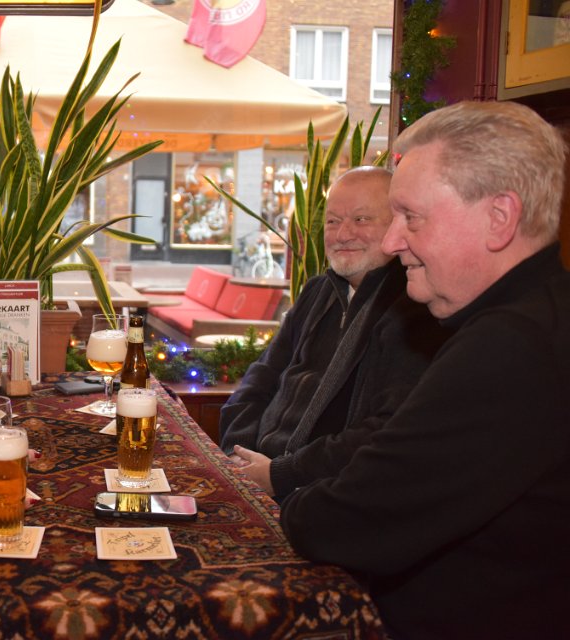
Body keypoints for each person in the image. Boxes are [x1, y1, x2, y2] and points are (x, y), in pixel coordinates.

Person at [280, 101, 570, 639]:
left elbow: (346, 520)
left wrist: (292, 500)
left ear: (499, 218)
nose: (392, 242)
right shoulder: (538, 314)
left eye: (410, 217)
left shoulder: (509, 345)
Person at [219, 167, 448, 501]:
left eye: (361, 219)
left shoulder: (413, 309)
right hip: (258, 468)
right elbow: (261, 377)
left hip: (324, 494)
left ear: (398, 226)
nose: (343, 234)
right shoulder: (317, 292)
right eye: (332, 221)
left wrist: (278, 474)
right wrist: (238, 450)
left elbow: (385, 430)